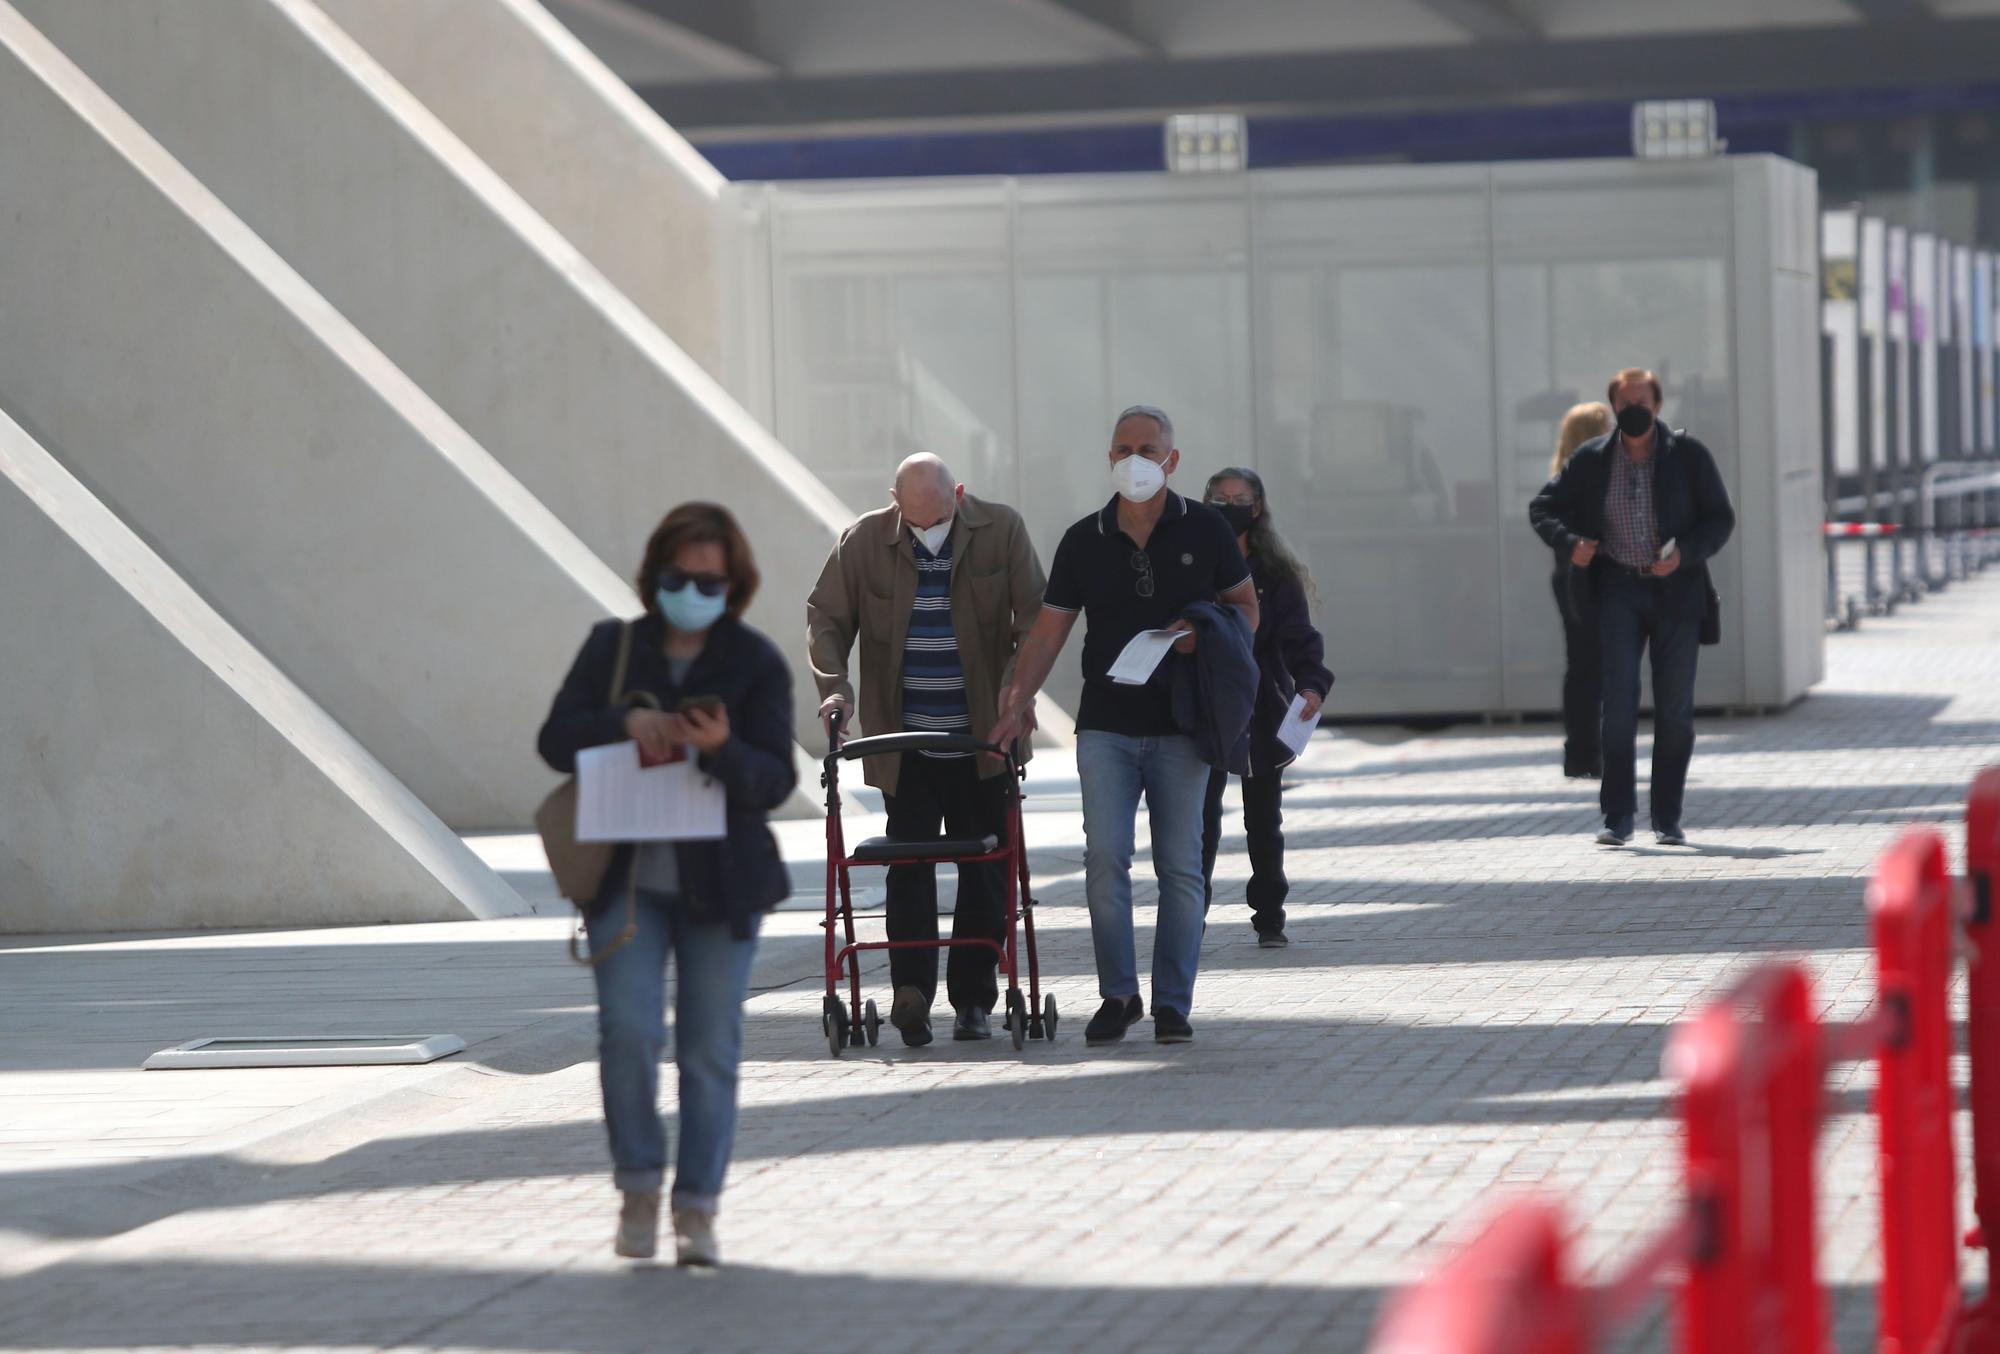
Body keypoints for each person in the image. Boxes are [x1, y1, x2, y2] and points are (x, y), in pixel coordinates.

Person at [537, 502, 796, 1267]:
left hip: (722, 884)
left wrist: (720, 748)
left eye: (709, 579)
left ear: (733, 584)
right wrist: (620, 721)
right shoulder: (612, 647)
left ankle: (697, 1207)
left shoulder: (754, 661)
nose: (694, 589)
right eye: (681, 576)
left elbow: (774, 778)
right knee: (628, 1034)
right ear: (657, 576)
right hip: (625, 880)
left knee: (709, 1050)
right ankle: (640, 1185)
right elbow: (554, 740)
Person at [991, 406, 1259, 1047]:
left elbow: (1246, 608)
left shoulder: (1209, 530)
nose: (1133, 459)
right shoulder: (1084, 539)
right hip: (1106, 726)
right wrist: (1017, 699)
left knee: (1180, 867)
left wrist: (1205, 636)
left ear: (1172, 459)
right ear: (1108, 458)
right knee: (1105, 860)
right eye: (1122, 448)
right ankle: (1118, 995)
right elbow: (1049, 630)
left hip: (1181, 725)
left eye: (1147, 448)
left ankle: (1172, 1002)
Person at [806, 453, 1046, 1046]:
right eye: (912, 521)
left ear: (958, 493)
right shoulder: (862, 541)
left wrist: (1015, 699)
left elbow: (1038, 619)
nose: (925, 531)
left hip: (982, 741)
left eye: (936, 518)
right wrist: (836, 692)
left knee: (984, 870)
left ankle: (974, 1002)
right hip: (904, 744)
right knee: (906, 868)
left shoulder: (1002, 529)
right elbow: (826, 617)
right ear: (894, 500)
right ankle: (910, 993)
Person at [1529, 369, 1735, 847]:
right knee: (1617, 705)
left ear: (1658, 405)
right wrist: (1571, 543)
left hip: (1677, 594)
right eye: (1624, 403)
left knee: (1674, 711)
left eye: (1642, 400)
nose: (1634, 409)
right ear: (1613, 408)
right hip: (1617, 590)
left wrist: (1685, 553)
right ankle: (1617, 817)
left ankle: (1667, 817)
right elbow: (1543, 507)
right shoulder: (1593, 460)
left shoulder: (1688, 457)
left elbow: (1719, 519)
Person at [1197, 467, 1332, 949]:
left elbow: (1300, 641)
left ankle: (1269, 915)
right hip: (1204, 705)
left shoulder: (1275, 573)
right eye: (1220, 497)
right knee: (1200, 821)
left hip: (1260, 707)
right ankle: (1192, 917)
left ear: (1257, 507)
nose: (1230, 506)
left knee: (1263, 819)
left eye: (1240, 498)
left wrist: (1311, 686)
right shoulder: (1192, 563)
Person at [1547, 402, 1614, 780]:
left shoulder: (1562, 475)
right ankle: (1588, 750)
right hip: (1584, 581)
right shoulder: (1584, 478)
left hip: (1568, 580)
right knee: (1594, 667)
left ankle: (1581, 751)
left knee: (1582, 667)